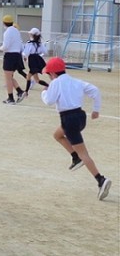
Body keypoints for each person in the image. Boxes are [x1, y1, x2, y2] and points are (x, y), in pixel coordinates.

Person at [40, 57, 112, 201]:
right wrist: (96, 109)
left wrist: (44, 92)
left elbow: (49, 101)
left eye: (48, 74)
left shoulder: (55, 83)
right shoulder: (75, 81)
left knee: (84, 153)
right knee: (57, 135)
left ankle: (100, 179)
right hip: (80, 117)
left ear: (52, 73)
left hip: (68, 119)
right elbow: (95, 90)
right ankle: (75, 157)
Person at [0, 15, 26, 104]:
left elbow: (6, 46)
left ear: (4, 23)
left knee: (8, 78)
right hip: (17, 55)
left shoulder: (7, 32)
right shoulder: (16, 31)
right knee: (9, 77)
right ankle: (20, 92)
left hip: (10, 56)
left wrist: (0, 48)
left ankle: (11, 98)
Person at [21, 28, 49, 98]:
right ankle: (48, 86)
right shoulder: (40, 43)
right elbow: (45, 51)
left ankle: (26, 92)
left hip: (33, 60)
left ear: (32, 35)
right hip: (38, 60)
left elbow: (26, 52)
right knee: (37, 80)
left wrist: (24, 56)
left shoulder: (29, 43)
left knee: (29, 76)